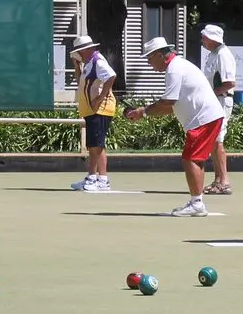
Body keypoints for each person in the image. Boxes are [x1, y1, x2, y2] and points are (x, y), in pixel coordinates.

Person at [123, 37, 225, 217]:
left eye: (149, 58)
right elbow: (170, 107)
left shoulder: (174, 69)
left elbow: (168, 102)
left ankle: (197, 204)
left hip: (204, 118)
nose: (149, 64)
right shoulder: (178, 66)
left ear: (160, 55)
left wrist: (142, 112)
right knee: (195, 159)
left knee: (190, 159)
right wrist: (145, 112)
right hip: (208, 117)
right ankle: (197, 202)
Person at [69, 34, 117, 192]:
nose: (79, 54)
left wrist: (100, 98)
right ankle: (92, 177)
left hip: (101, 108)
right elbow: (80, 83)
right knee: (94, 144)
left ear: (89, 49)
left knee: (97, 144)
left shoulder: (98, 61)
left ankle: (102, 179)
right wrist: (77, 67)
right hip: (91, 110)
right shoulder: (88, 64)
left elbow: (111, 76)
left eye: (81, 51)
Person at [199, 24, 237, 195]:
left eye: (205, 37)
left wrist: (210, 95)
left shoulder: (223, 54)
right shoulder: (213, 54)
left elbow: (229, 82)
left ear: (213, 39)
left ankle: (224, 181)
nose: (203, 39)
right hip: (215, 101)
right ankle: (218, 181)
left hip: (221, 101)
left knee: (218, 141)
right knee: (214, 141)